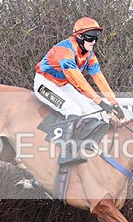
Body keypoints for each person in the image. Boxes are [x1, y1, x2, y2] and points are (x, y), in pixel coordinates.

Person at [34, 17, 125, 165]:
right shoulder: (64, 51)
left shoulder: (90, 55)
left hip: (62, 84)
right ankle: (65, 153)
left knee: (90, 112)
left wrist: (114, 103)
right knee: (73, 109)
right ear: (79, 36)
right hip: (45, 83)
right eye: (91, 37)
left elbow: (99, 78)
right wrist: (100, 102)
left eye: (96, 37)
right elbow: (79, 82)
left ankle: (83, 146)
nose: (94, 41)